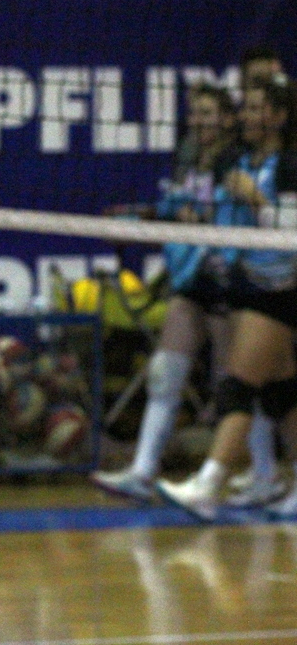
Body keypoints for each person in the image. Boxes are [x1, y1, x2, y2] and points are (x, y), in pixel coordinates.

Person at [91, 85, 284, 502]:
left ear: (228, 119)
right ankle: (143, 471)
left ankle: (264, 473)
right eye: (194, 113)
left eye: (207, 112)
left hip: (234, 277)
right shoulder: (188, 158)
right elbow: (175, 207)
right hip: (195, 277)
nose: (198, 121)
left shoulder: (240, 160)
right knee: (165, 372)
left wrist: (218, 219)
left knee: (242, 380)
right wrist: (145, 216)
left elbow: (249, 216)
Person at [159, 79, 297, 521]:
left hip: (279, 289)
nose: (247, 116)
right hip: (243, 282)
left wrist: (254, 197)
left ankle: (208, 483)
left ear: (279, 116)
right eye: (246, 108)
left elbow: (292, 231)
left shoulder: (288, 166)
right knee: (281, 393)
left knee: (238, 385)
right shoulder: (233, 160)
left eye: (258, 108)